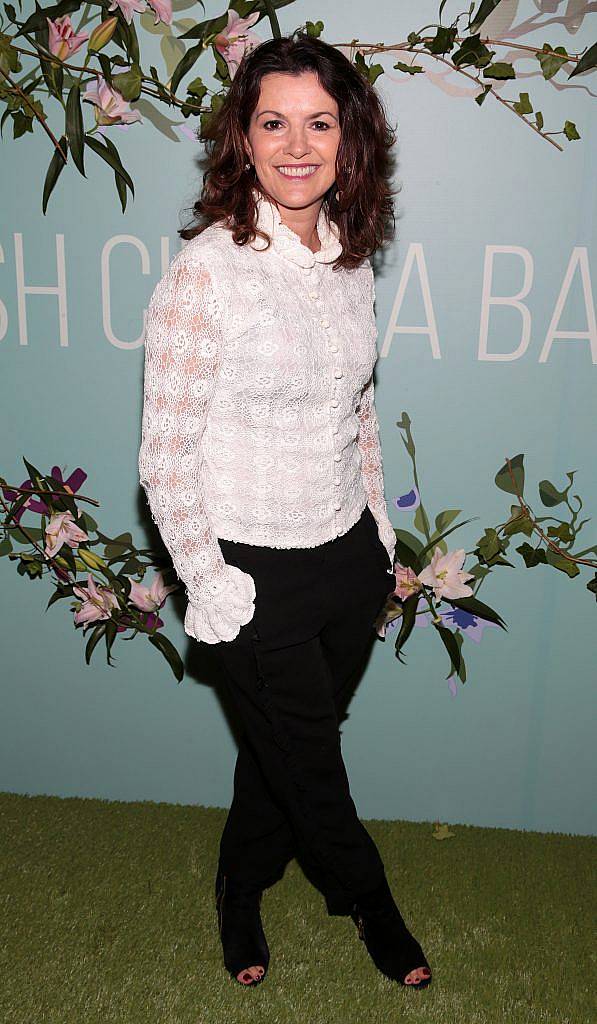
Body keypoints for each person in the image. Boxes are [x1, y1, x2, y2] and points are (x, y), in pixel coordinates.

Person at [138, 32, 432, 992]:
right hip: (246, 572)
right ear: (244, 137)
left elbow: (358, 408)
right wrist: (207, 580)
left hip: (345, 559)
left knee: (275, 762)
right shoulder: (206, 273)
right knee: (311, 769)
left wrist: (379, 536)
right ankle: (373, 907)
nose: (297, 145)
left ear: (350, 142)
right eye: (274, 122)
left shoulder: (349, 260)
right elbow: (165, 454)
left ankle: (239, 885)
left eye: (319, 122)